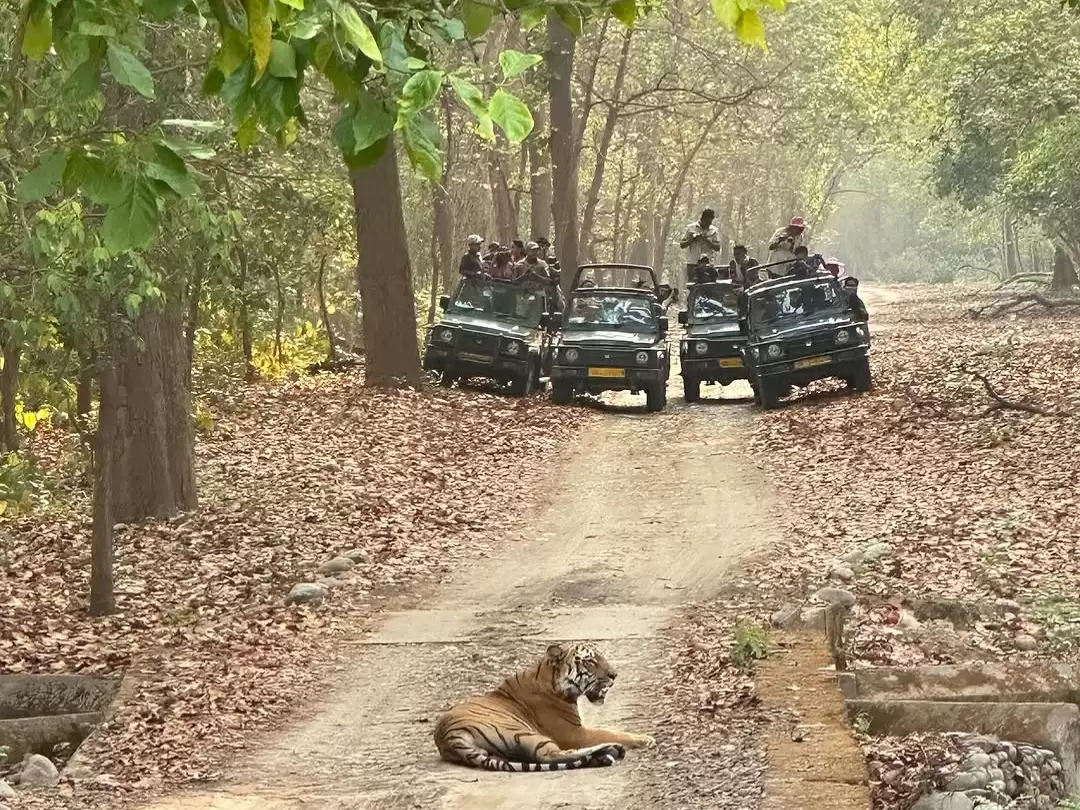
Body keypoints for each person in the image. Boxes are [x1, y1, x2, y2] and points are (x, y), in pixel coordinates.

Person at [679, 208, 722, 281]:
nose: (709, 224)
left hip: (708, 264)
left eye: (710, 222)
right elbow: (682, 245)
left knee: (708, 286)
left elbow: (717, 247)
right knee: (693, 286)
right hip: (693, 263)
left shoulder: (714, 230)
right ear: (703, 218)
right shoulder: (691, 228)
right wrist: (691, 239)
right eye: (707, 222)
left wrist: (706, 240)